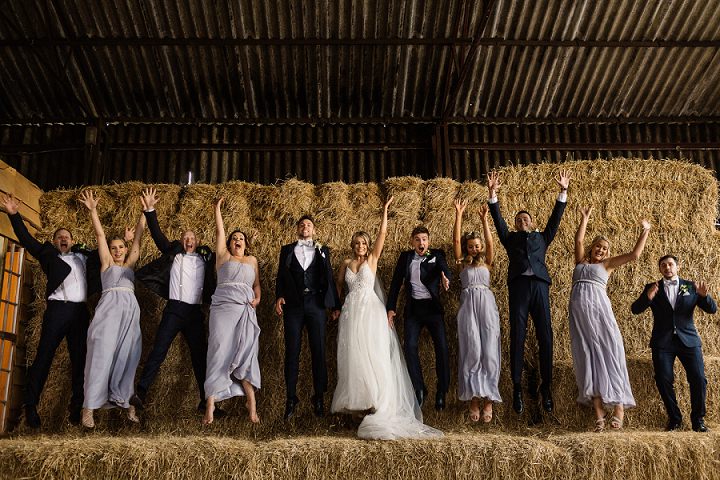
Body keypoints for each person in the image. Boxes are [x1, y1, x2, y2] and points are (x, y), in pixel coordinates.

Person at [331, 196, 442, 439]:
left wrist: (385, 211)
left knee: (373, 356)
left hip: (370, 312)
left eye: (364, 242)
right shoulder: (346, 263)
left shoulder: (372, 260)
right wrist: (337, 305)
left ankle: (375, 403)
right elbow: (338, 286)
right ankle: (356, 407)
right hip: (351, 313)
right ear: (352, 244)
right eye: (357, 242)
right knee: (353, 357)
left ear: (367, 245)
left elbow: (382, 235)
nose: (360, 245)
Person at [1, 193, 96, 428]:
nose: (63, 238)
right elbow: (26, 239)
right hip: (57, 310)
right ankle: (31, 405)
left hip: (80, 312)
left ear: (73, 241)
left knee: (81, 360)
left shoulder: (84, 257)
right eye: (59, 237)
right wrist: (14, 214)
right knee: (44, 356)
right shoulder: (48, 255)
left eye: (67, 236)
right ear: (55, 242)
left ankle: (77, 407)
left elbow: (106, 249)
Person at [486, 170, 570, 414]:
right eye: (519, 219)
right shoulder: (509, 238)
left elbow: (556, 218)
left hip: (540, 287)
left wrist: (563, 192)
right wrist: (492, 194)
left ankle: (547, 387)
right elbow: (497, 219)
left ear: (532, 222)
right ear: (515, 225)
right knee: (517, 335)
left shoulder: (543, 237)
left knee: (546, 335)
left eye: (526, 219)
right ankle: (517, 387)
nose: (522, 221)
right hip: (519, 288)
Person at [132, 187, 221, 417]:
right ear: (181, 241)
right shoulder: (174, 252)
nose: (188, 240)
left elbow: (223, 251)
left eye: (192, 238)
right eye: (185, 238)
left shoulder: (206, 257)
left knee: (200, 358)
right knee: (158, 350)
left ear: (198, 241)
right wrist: (150, 210)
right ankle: (140, 392)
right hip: (173, 310)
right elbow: (157, 235)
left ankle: (206, 402)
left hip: (194, 313)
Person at [569, 206, 650, 431]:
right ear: (592, 247)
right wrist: (584, 218)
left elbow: (634, 255)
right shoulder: (581, 263)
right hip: (580, 317)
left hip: (600, 314)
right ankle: (599, 414)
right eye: (598, 246)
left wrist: (645, 231)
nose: (601, 250)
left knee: (610, 353)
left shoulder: (607, 265)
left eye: (605, 248)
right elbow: (578, 241)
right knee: (587, 357)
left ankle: (619, 408)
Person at [79, 190, 145, 428]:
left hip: (129, 312)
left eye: (120, 247)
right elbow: (99, 235)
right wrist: (93, 210)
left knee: (128, 357)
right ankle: (88, 409)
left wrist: (145, 212)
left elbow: (138, 239)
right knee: (101, 355)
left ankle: (128, 405)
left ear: (125, 250)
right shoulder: (106, 264)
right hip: (108, 310)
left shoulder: (130, 265)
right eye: (113, 247)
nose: (117, 250)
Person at [631, 255, 717, 432]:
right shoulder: (652, 287)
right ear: (660, 269)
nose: (667, 267)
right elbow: (635, 310)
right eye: (663, 265)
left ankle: (698, 420)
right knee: (663, 380)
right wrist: (647, 298)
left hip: (689, 341)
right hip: (663, 342)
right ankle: (675, 419)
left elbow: (712, 309)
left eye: (670, 264)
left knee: (699, 379)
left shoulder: (691, 286)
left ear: (677, 266)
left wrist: (704, 297)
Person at [275, 215, 340, 420]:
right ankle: (291, 398)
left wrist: (334, 305)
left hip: (316, 305)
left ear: (314, 230)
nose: (305, 227)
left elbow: (329, 276)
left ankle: (318, 397)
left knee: (318, 351)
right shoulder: (286, 249)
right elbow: (280, 276)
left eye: (309, 225)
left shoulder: (323, 250)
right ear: (297, 229)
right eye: (302, 224)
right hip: (293, 306)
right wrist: (279, 297)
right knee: (292, 351)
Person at [202, 198, 261, 424]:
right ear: (229, 243)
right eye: (234, 238)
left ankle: (251, 405)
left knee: (247, 351)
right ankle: (210, 405)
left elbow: (257, 286)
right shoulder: (223, 257)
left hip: (245, 309)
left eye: (241, 238)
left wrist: (257, 299)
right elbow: (219, 231)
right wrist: (217, 209)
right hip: (223, 308)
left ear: (245, 243)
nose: (237, 240)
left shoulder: (252, 260)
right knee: (218, 350)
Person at [386, 225, 452, 410]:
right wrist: (390, 308)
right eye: (417, 239)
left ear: (428, 241)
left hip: (432, 309)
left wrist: (446, 278)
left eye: (424, 239)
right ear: (412, 242)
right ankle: (419, 387)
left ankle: (442, 390)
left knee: (442, 348)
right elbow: (396, 283)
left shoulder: (436, 255)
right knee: (410, 347)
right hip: (414, 310)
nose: (421, 242)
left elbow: (445, 270)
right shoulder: (405, 257)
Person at [452, 199, 501, 423]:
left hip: (487, 306)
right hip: (468, 306)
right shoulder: (462, 263)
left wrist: (484, 221)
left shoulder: (487, 263)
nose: (475, 248)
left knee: (490, 350)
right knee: (472, 350)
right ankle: (473, 398)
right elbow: (456, 240)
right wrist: (459, 215)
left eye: (477, 245)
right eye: (471, 245)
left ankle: (489, 397)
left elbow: (491, 244)